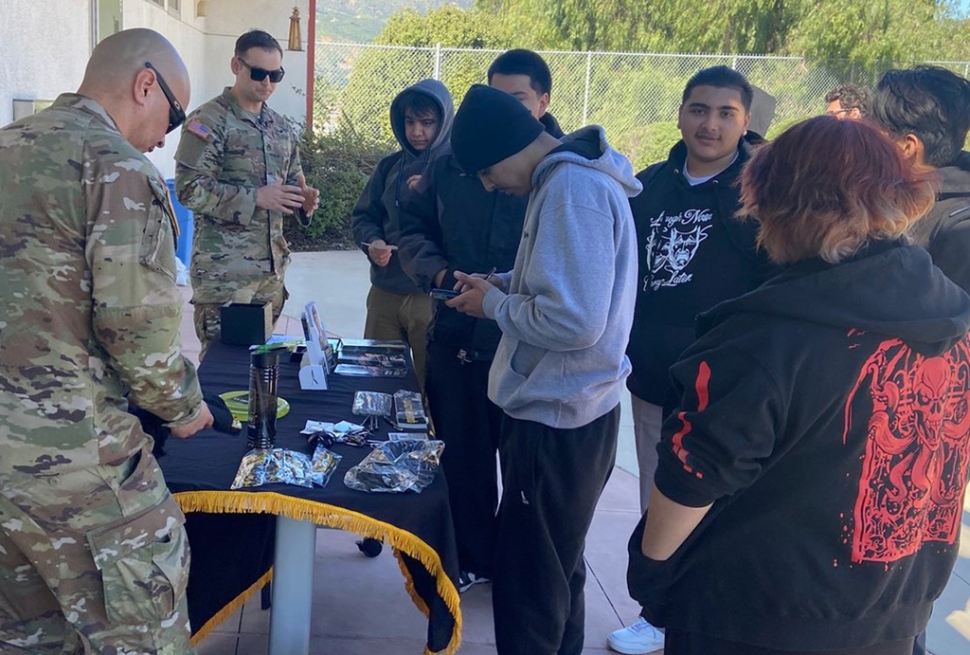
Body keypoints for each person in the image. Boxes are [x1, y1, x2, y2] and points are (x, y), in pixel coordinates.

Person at [628, 116, 970, 655]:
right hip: (894, 607)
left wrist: (650, 568)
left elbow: (696, 473)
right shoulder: (950, 318)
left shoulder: (766, 337)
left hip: (757, 615)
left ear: (777, 205)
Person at [0, 28, 214, 654]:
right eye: (172, 117)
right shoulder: (117, 167)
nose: (165, 138)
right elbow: (136, 332)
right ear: (145, 84)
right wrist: (184, 406)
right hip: (77, 466)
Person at [448, 84, 640, 655]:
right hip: (578, 408)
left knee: (530, 580)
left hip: (556, 415)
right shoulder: (573, 177)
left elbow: (575, 321)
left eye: (485, 172)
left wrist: (494, 307)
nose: (488, 186)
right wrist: (504, 284)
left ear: (507, 148)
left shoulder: (570, 191)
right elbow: (576, 287)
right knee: (559, 566)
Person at [607, 64, 779, 655]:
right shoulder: (647, 187)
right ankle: (659, 612)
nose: (710, 124)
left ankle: (718, 614)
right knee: (660, 493)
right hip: (655, 377)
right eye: (699, 109)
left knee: (729, 503)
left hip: (733, 387)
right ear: (680, 113)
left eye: (725, 113)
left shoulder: (765, 196)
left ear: (745, 121)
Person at [397, 49, 564, 593]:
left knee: (524, 474)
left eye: (515, 100)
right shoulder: (449, 164)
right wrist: (441, 274)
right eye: (493, 97)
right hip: (457, 335)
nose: (502, 111)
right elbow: (412, 229)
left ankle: (514, 566)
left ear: (542, 102)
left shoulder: (563, 177)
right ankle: (468, 557)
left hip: (526, 348)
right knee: (463, 458)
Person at [869, 62, 970, 655]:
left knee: (898, 595)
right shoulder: (906, 207)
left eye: (873, 135)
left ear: (906, 146)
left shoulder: (954, 226)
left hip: (915, 440)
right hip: (885, 433)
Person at [175, 29, 320, 358]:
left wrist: (305, 203)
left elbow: (293, 186)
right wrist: (255, 197)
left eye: (276, 75)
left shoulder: (281, 129)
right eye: (258, 73)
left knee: (260, 370)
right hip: (226, 278)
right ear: (236, 66)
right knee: (223, 373)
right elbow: (189, 188)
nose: (267, 82)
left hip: (270, 276)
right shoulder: (208, 122)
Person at [352, 79, 454, 391]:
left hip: (431, 299)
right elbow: (363, 217)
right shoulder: (389, 166)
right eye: (409, 122)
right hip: (385, 293)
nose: (417, 132)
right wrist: (373, 243)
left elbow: (463, 230)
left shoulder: (457, 170)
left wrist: (429, 194)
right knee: (378, 384)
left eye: (426, 123)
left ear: (444, 122)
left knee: (431, 389)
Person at [871, 66, 970, 290]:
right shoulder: (889, 193)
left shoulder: (960, 231)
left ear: (907, 147)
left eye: (873, 132)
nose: (865, 142)